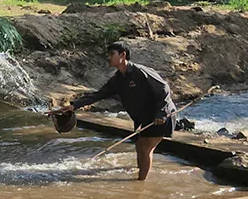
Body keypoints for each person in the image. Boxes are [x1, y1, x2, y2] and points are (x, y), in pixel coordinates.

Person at [49, 41, 177, 180]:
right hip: (146, 117)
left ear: (123, 55)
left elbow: (164, 88)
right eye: (108, 54)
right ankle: (140, 177)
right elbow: (99, 94)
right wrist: (74, 106)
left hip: (161, 115)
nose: (108, 57)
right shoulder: (117, 80)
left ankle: (140, 184)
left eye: (112, 54)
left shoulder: (140, 71)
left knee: (146, 148)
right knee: (140, 146)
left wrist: (162, 113)